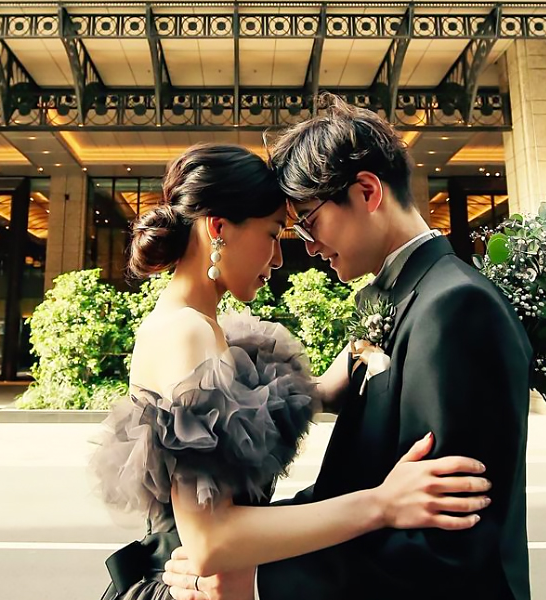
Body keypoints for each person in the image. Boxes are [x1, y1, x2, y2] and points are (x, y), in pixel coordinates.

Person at [162, 96, 533, 600]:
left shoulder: (456, 306)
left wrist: (256, 580)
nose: (307, 247)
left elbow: (451, 531)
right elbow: (354, 487)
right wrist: (239, 547)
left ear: (366, 191)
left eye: (308, 222)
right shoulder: (394, 297)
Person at [91, 143, 494, 600]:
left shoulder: (208, 328)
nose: (279, 258)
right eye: (272, 234)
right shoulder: (185, 332)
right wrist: (382, 504)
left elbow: (302, 398)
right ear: (218, 228)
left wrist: (378, 336)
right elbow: (209, 540)